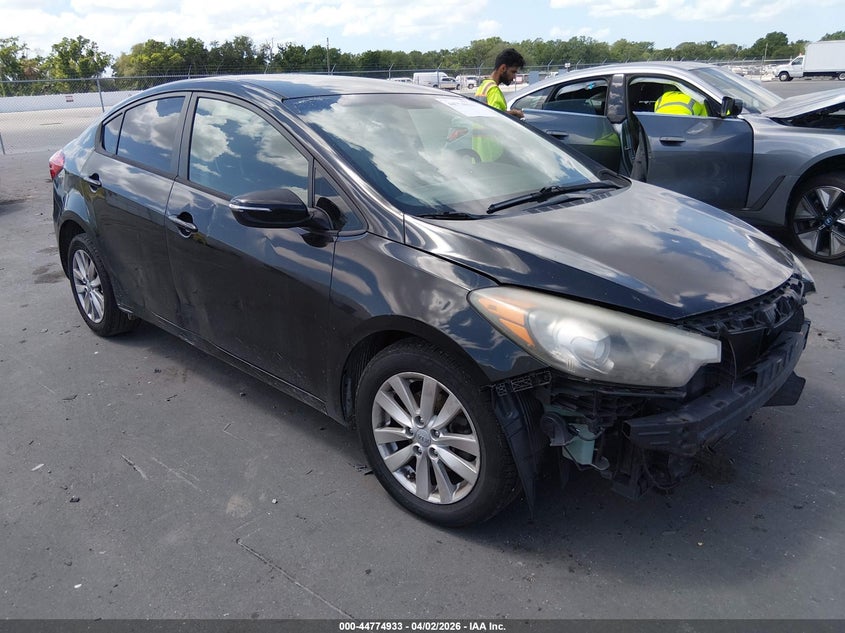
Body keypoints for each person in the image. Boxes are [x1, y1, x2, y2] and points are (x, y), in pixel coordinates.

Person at [475, 48, 526, 119]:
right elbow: (496, 115)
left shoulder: (484, 85)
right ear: (503, 68)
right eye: (513, 72)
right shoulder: (493, 89)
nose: (514, 77)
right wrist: (514, 113)